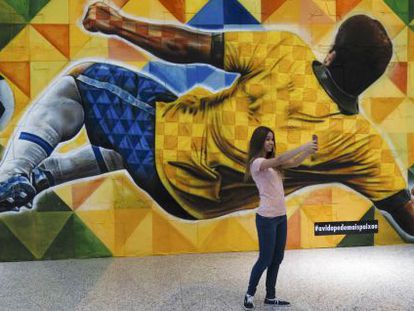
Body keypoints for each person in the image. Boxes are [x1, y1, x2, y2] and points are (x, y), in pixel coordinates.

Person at [0, 2, 413, 240]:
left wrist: (118, 23)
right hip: (198, 206)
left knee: (81, 80)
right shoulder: (365, 147)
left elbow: (186, 46)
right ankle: (41, 178)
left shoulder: (288, 54)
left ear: (332, 56)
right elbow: (406, 216)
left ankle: (13, 172)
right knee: (140, 127)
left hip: (170, 151)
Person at [243, 126, 317, 310]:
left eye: (272, 139)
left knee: (277, 259)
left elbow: (294, 163)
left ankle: (271, 296)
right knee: (265, 259)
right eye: (267, 139)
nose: (270, 142)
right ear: (259, 141)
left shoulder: (273, 165)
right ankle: (249, 294)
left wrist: (309, 150)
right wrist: (303, 146)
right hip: (266, 219)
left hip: (280, 217)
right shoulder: (257, 163)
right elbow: (282, 158)